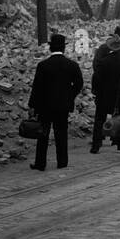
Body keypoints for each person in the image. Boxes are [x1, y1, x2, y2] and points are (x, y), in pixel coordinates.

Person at [27, 33, 84, 171]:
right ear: (63, 49)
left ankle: (40, 163)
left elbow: (37, 88)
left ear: (50, 48)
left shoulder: (43, 65)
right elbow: (79, 84)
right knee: (61, 134)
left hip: (45, 106)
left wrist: (32, 106)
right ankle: (62, 162)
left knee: (43, 135)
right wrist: (69, 96)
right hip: (62, 106)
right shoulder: (72, 65)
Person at [90, 34, 120, 154]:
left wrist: (96, 91)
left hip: (103, 96)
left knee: (99, 119)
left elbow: (96, 78)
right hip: (118, 97)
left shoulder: (103, 62)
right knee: (119, 119)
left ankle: (96, 145)